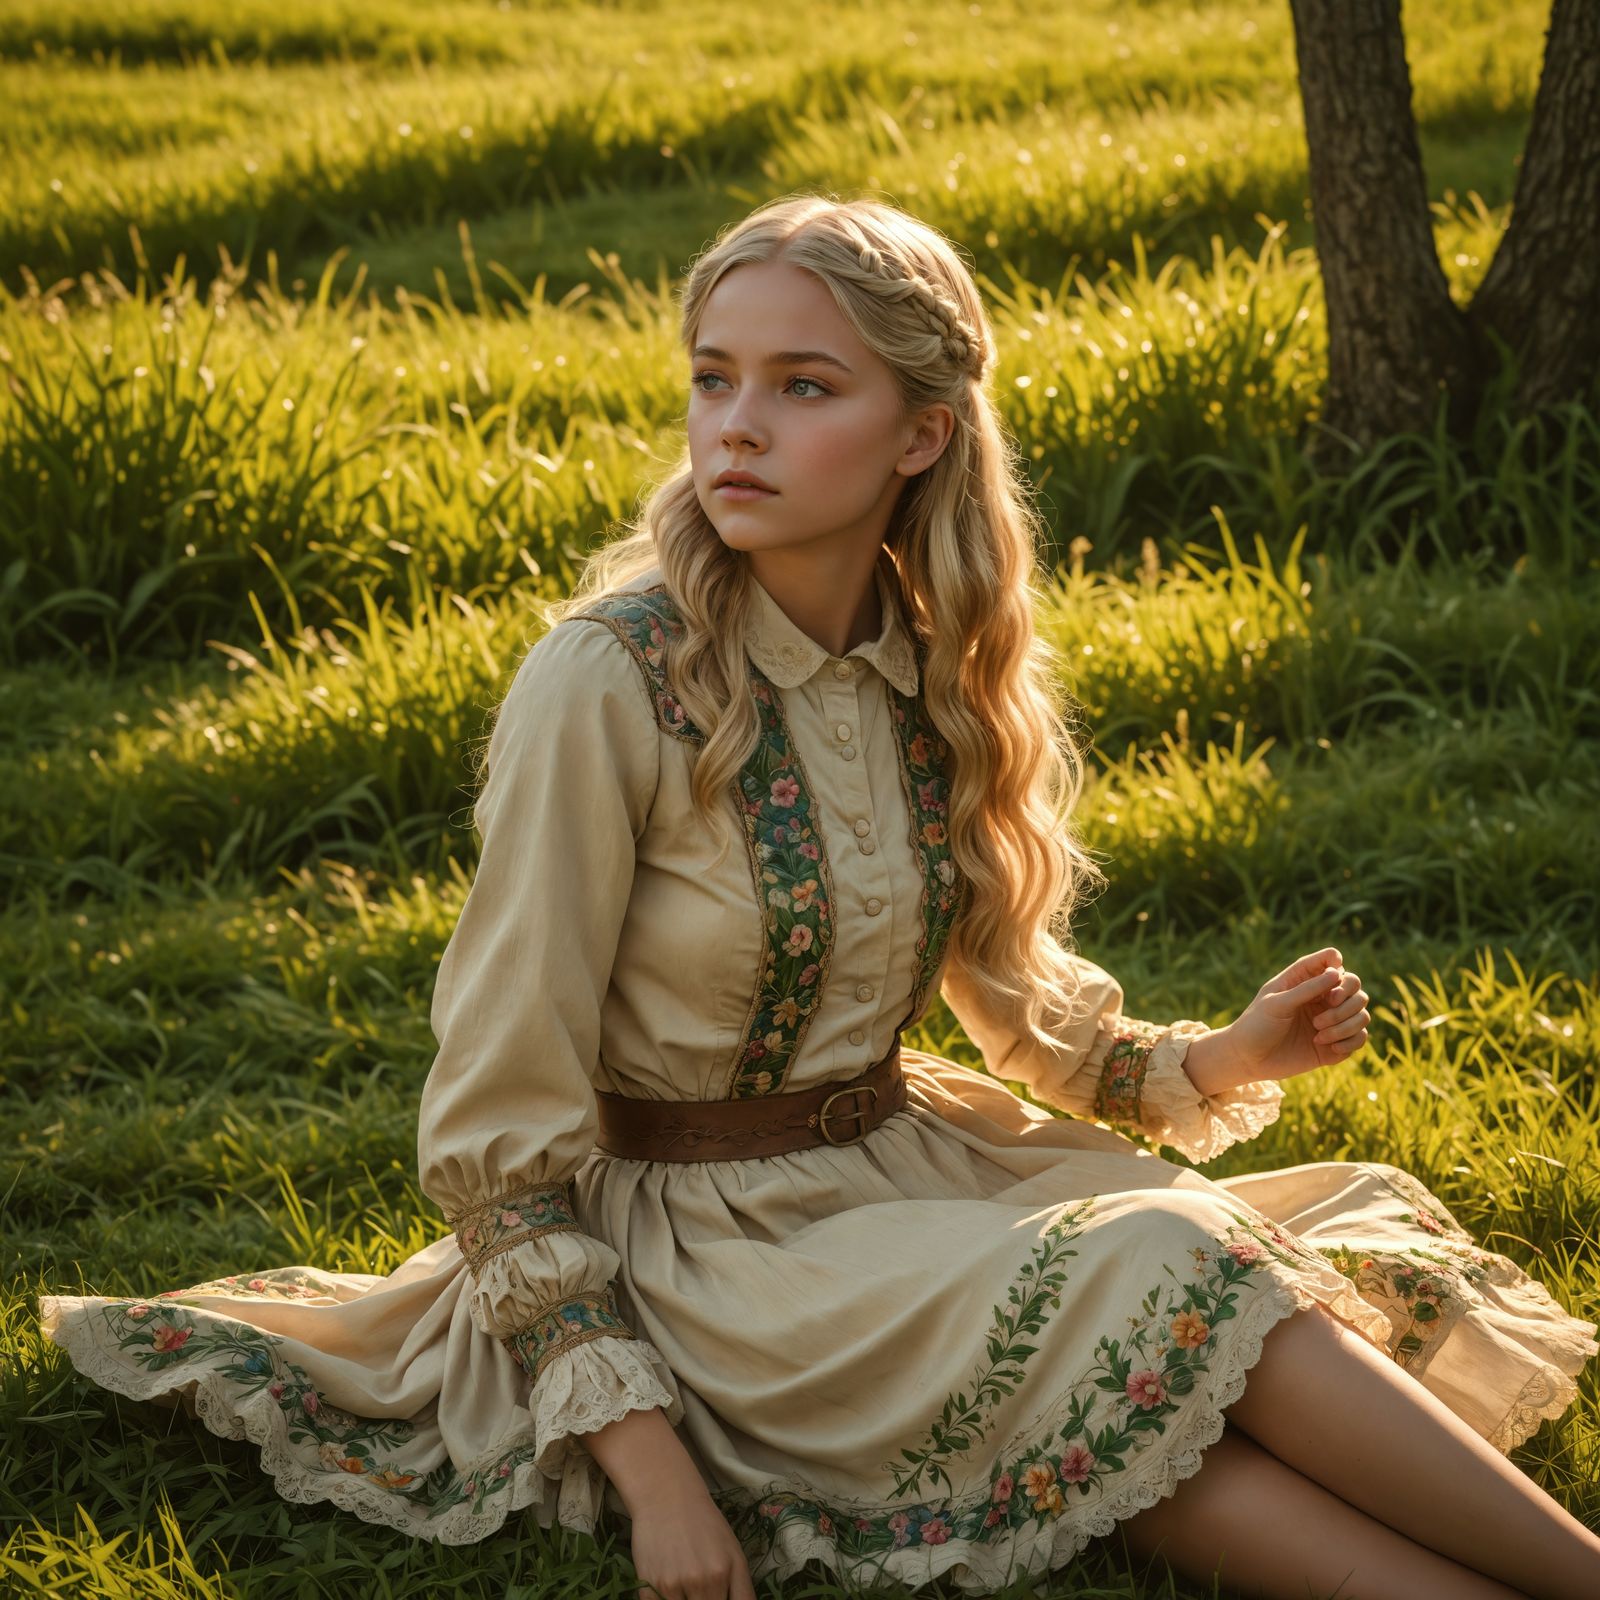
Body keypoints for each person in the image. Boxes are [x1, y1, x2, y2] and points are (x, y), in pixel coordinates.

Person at [39, 195, 1600, 1600]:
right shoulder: (607, 683)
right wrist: (654, 1479)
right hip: (699, 1260)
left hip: (910, 1178)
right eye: (715, 378)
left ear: (920, 435)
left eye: (803, 386)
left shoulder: (938, 662)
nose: (737, 428)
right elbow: (495, 1135)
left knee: (1156, 1411)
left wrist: (1222, 1063)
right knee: (1170, 1275)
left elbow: (1016, 1001)